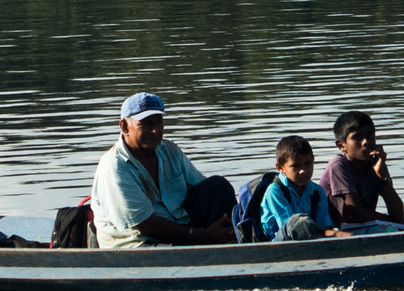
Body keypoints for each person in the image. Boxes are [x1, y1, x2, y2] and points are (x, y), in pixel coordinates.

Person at [90, 92, 235, 248]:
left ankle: (233, 242)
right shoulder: (114, 167)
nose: (155, 130)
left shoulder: (169, 150)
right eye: (146, 124)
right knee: (174, 253)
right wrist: (204, 236)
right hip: (136, 243)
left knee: (218, 186)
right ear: (125, 127)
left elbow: (200, 187)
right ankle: (216, 246)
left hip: (178, 226)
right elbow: (146, 225)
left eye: (159, 122)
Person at [321, 110, 404, 228]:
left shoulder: (376, 163)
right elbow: (357, 214)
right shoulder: (338, 166)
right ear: (341, 145)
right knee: (393, 228)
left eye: (370, 136)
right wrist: (392, 222)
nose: (366, 142)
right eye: (357, 137)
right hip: (338, 229)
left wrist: (382, 177)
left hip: (363, 225)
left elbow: (398, 215)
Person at [257, 135, 346, 242]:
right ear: (280, 168)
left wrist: (336, 234)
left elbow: (324, 226)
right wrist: (334, 234)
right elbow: (291, 227)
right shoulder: (275, 191)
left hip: (310, 237)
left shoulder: (317, 191)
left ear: (313, 160)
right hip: (280, 242)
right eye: (295, 166)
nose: (303, 171)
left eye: (308, 163)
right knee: (297, 221)